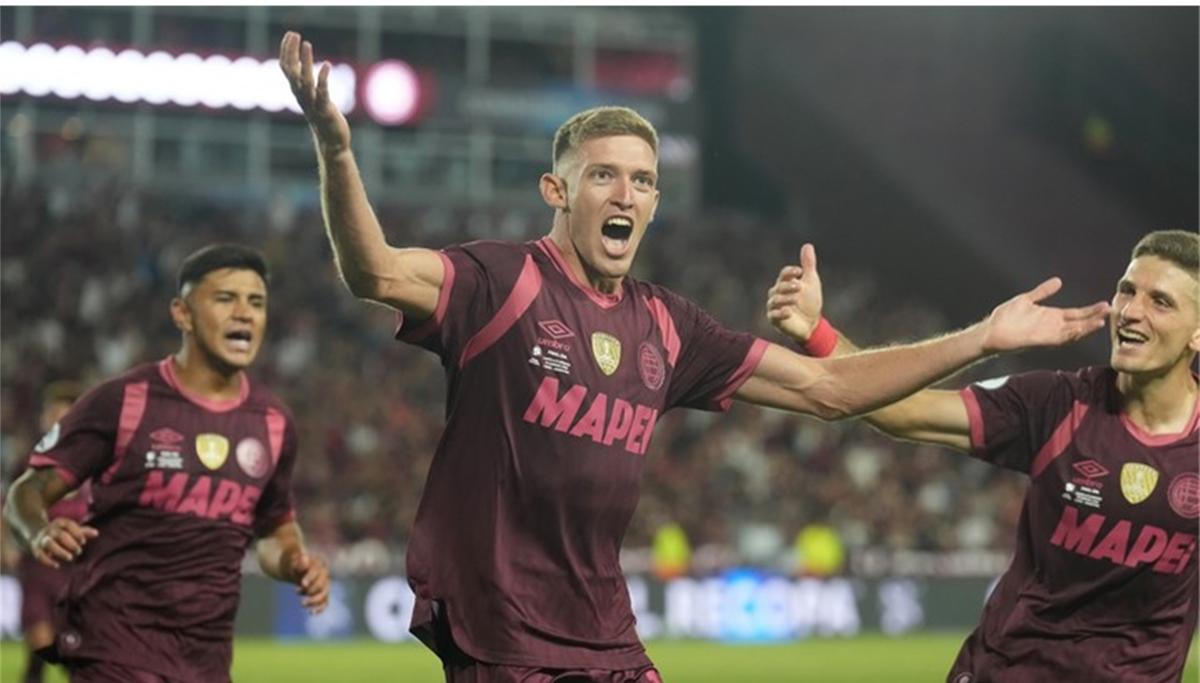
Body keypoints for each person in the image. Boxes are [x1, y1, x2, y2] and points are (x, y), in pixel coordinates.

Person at [279, 31, 1110, 681]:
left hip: (607, 631)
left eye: (642, 180)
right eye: (603, 176)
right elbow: (374, 270)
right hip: (504, 632)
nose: (626, 194)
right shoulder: (501, 282)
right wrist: (337, 151)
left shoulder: (669, 326)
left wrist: (981, 337)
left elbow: (827, 388)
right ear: (556, 190)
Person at [766, 230, 1198, 682]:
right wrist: (817, 334)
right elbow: (906, 413)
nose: (1130, 311)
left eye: (1160, 302)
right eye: (1127, 291)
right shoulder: (1057, 404)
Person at [4, 244, 331, 683]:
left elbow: (273, 530)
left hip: (206, 661)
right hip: (114, 650)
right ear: (182, 313)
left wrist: (295, 562)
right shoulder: (124, 401)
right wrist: (39, 531)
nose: (244, 313)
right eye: (225, 298)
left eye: (256, 302)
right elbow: (26, 492)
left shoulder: (273, 424)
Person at [3, 382, 86, 683]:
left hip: (78, 570)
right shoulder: (30, 461)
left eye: (63, 416)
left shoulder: (94, 461)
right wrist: (6, 546)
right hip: (39, 565)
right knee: (40, 640)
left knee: (72, 649)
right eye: (52, 415)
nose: (56, 422)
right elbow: (8, 504)